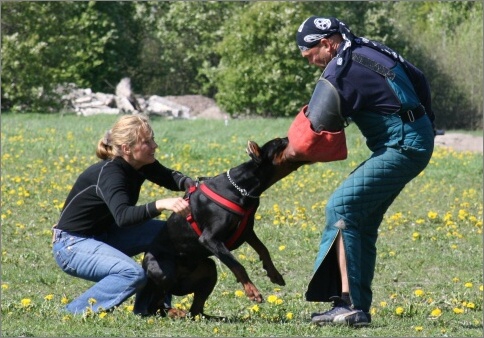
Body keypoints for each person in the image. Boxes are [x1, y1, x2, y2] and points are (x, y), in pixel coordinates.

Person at [289, 16, 435, 326]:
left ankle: (348, 304)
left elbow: (316, 126)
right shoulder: (365, 48)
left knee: (342, 207)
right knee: (362, 220)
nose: (312, 63)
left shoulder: (341, 70)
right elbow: (418, 77)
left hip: (402, 145)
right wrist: (426, 125)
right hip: (412, 137)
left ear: (326, 44)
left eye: (310, 55)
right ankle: (357, 308)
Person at [52, 114, 194, 316]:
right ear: (127, 149)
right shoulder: (111, 173)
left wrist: (194, 185)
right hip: (72, 244)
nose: (155, 145)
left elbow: (169, 177)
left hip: (107, 235)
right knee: (132, 274)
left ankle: (152, 307)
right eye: (147, 141)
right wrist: (160, 204)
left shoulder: (141, 164)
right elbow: (124, 217)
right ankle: (71, 313)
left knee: (169, 234)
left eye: (152, 139)